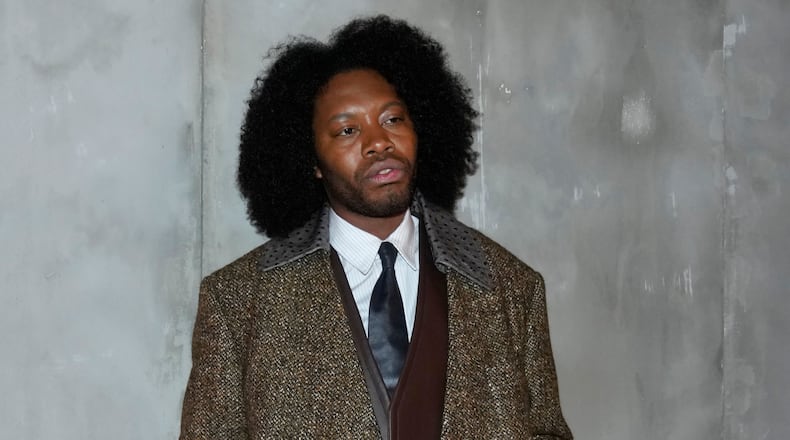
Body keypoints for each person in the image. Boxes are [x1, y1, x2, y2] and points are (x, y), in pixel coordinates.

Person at [180, 15, 572, 440]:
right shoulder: (238, 302)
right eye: (348, 130)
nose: (378, 142)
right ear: (310, 160)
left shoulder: (511, 287)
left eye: (393, 120)